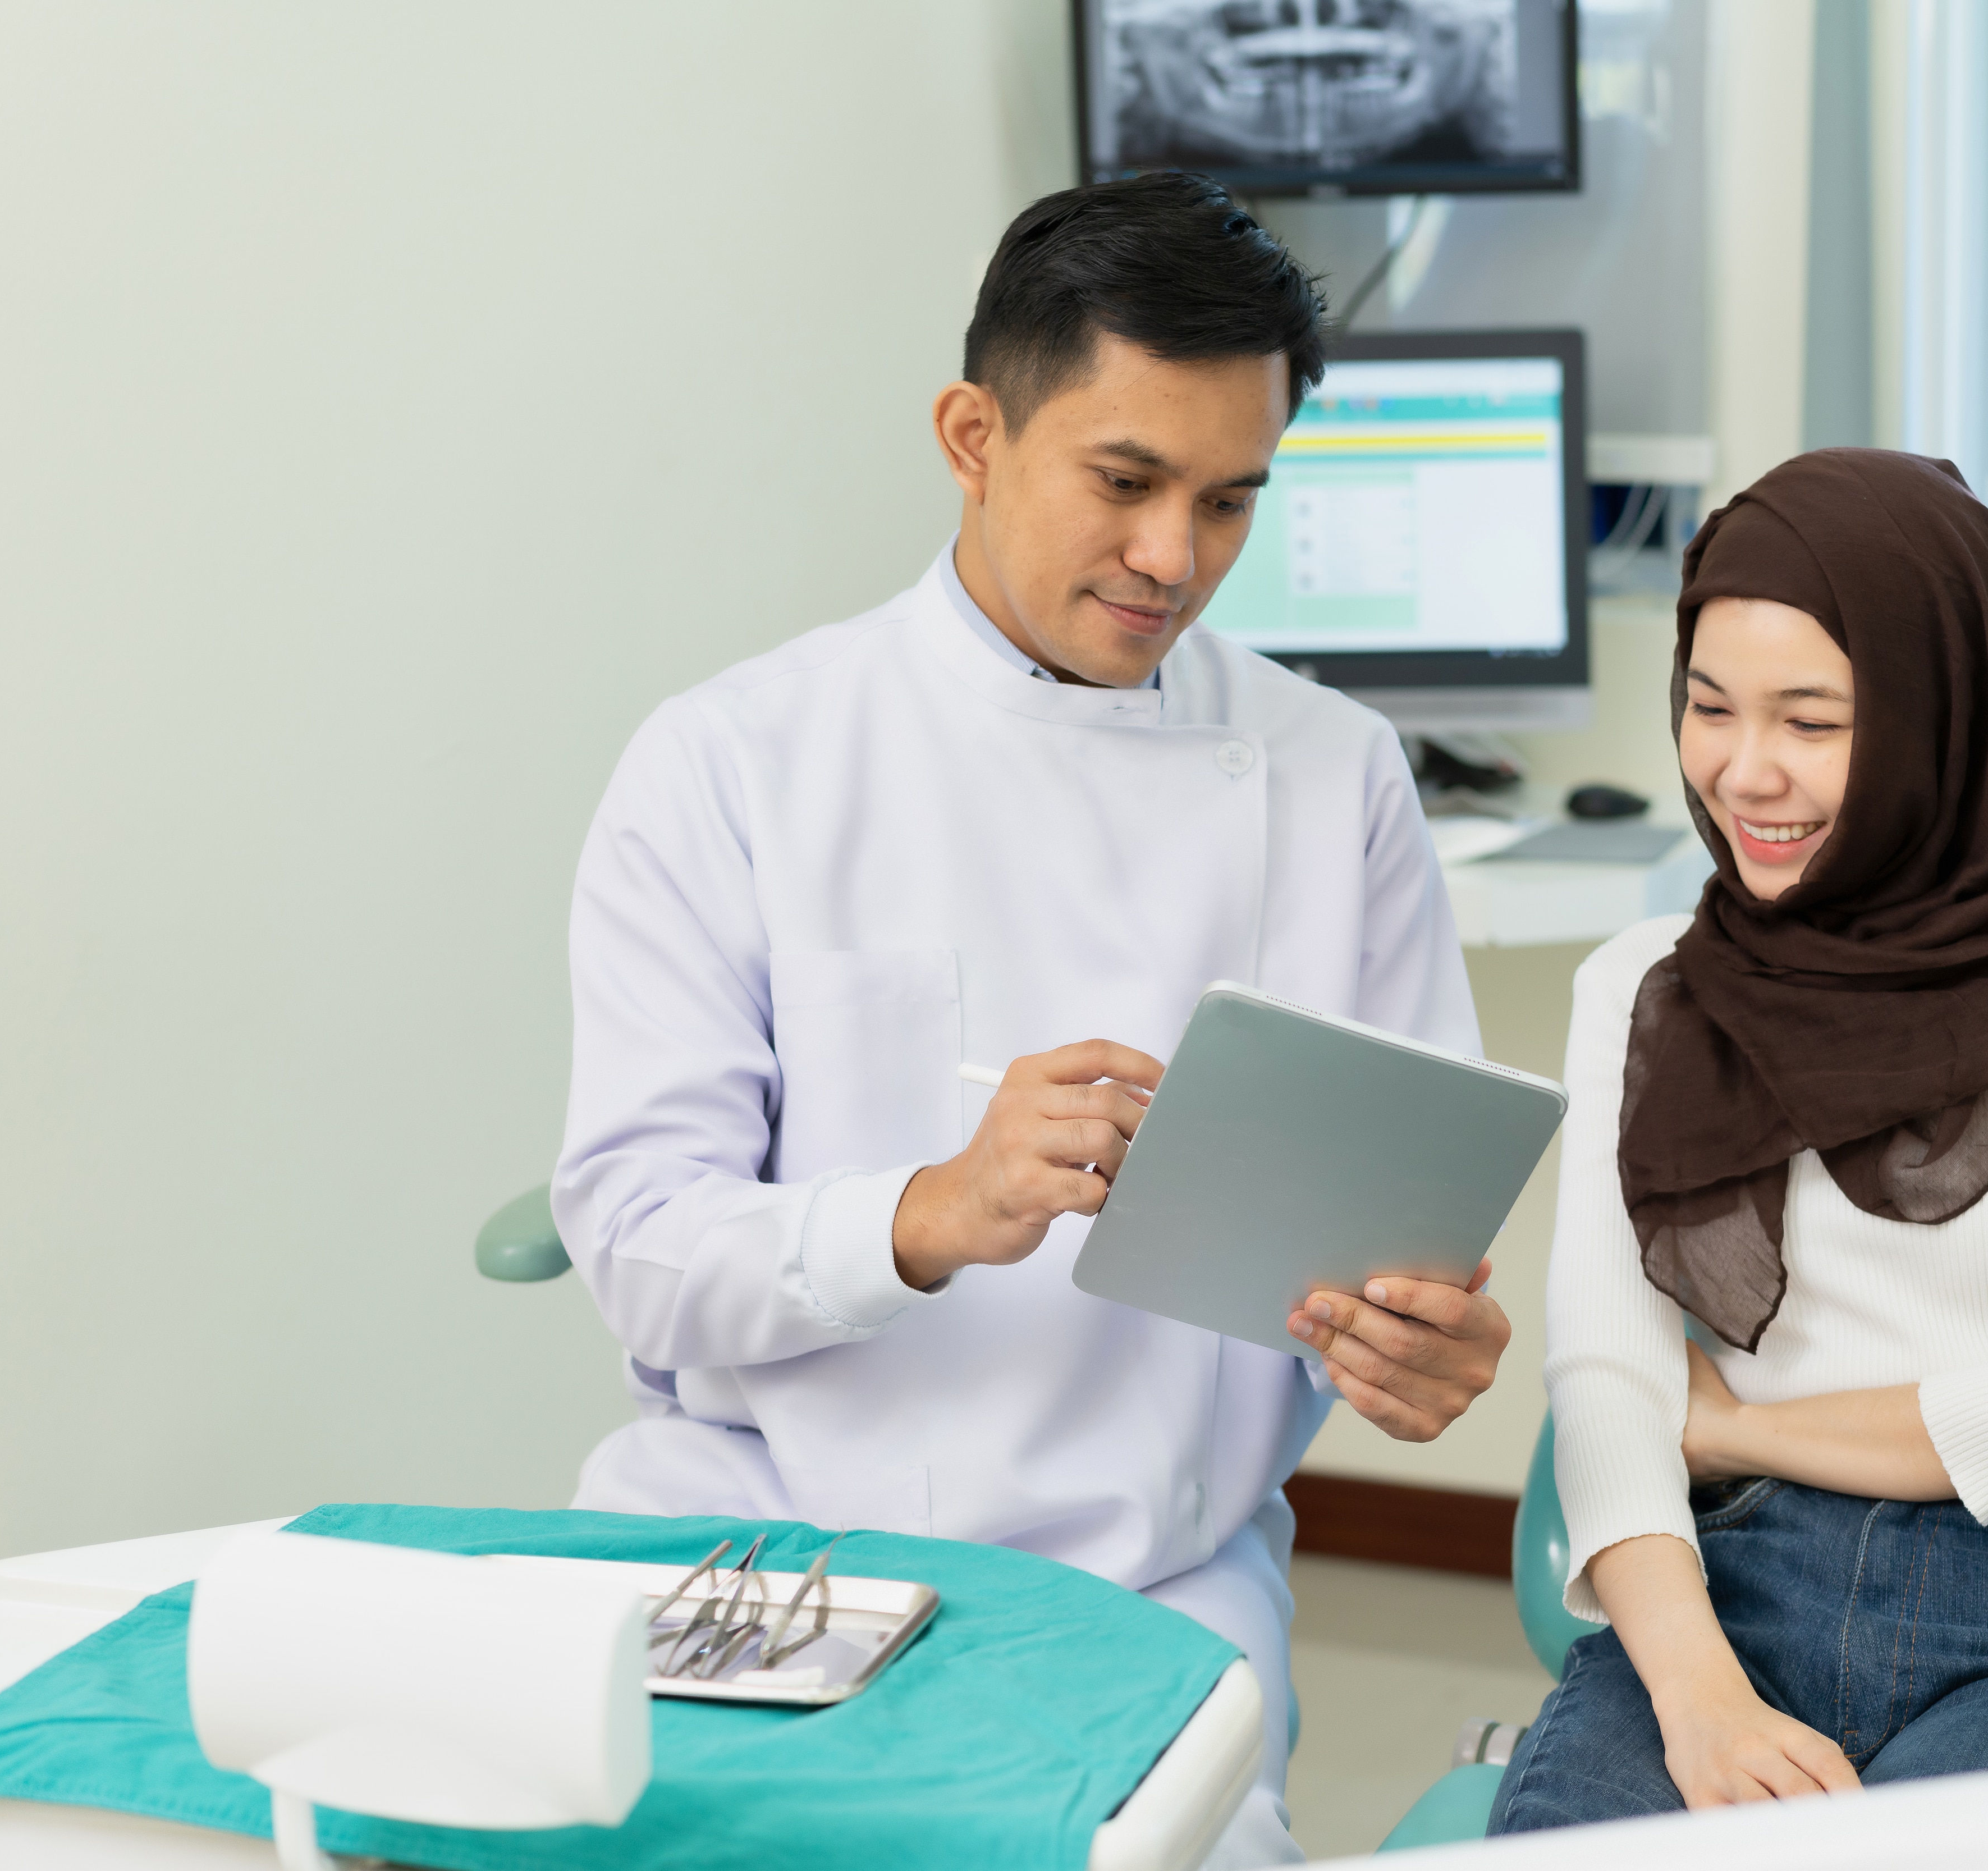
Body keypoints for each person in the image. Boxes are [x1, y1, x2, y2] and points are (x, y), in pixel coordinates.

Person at [553, 173, 1513, 1866]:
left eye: (1230, 501)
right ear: (972, 433)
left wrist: (1410, 1348)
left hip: (1150, 1568)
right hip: (768, 1530)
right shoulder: (736, 760)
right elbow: (637, 1241)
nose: (1176, 559)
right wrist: (927, 1212)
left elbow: (1388, 1242)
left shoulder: (1331, 774)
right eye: (1126, 482)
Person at [1488, 450, 1988, 1868]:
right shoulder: (1645, 984)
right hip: (1731, 1597)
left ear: (1943, 719)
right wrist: (1699, 1696)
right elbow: (1609, 1381)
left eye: (1815, 720)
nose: (1745, 771)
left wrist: (1737, 1426)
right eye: (1709, 706)